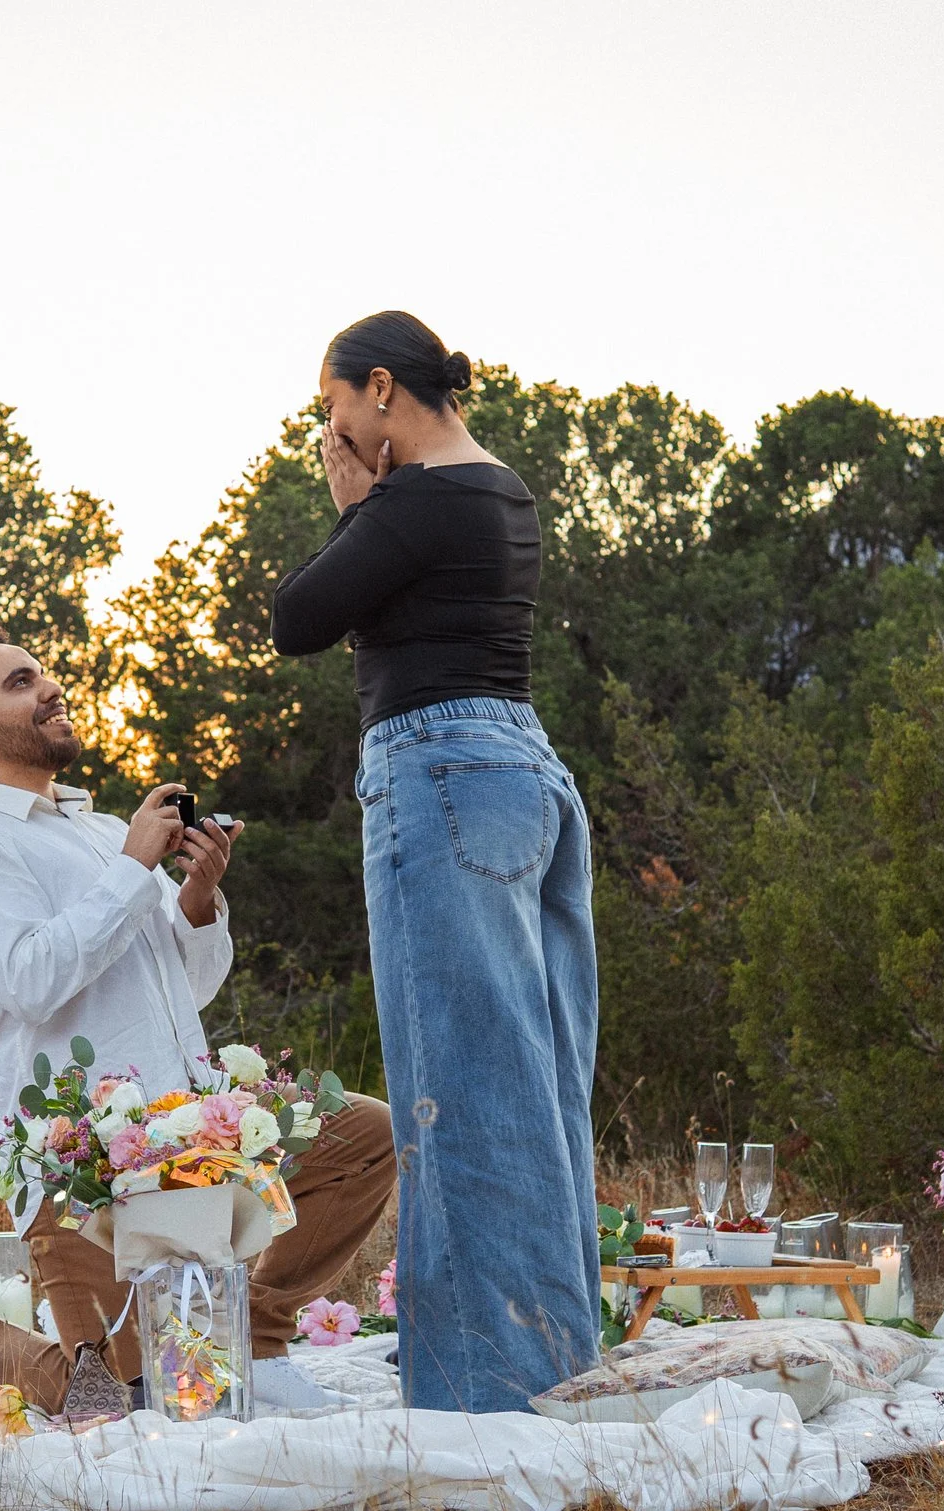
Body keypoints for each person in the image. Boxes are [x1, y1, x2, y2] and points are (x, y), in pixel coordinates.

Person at [0, 625, 395, 1415]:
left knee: (366, 1134)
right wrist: (137, 867)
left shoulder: (103, 832)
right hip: (87, 1173)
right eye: (22, 682)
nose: (50, 688)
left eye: (44, 673)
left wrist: (198, 901)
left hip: (199, 1142)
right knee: (127, 1405)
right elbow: (35, 980)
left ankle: (260, 1338)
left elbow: (188, 986)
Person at [270, 311, 600, 1414]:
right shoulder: (502, 486)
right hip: (527, 767)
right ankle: (550, 1360)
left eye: (330, 407)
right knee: (538, 1082)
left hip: (441, 766)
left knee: (453, 1085)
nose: (329, 429)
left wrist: (352, 510)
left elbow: (297, 617)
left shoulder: (413, 500)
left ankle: (478, 1391)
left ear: (377, 389)